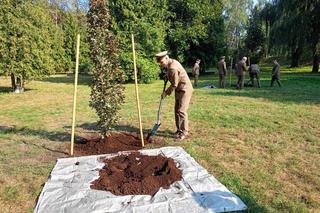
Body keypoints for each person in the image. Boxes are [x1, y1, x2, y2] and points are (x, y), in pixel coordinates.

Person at [155, 51, 193, 141]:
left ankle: (184, 133)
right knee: (176, 110)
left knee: (181, 111)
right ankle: (179, 130)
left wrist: (166, 93)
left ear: (167, 58)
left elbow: (174, 84)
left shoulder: (172, 67)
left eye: (161, 62)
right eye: (159, 63)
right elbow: (172, 75)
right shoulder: (171, 63)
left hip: (185, 90)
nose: (161, 64)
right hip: (179, 89)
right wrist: (167, 76)